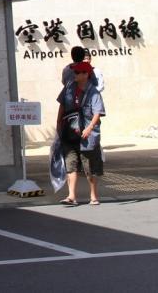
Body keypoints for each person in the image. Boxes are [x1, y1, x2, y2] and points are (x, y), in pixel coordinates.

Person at [56, 61, 105, 206]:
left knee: (89, 166)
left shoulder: (94, 92)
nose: (74, 75)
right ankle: (71, 196)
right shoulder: (68, 88)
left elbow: (97, 112)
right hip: (70, 132)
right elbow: (62, 105)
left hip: (86, 135)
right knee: (71, 164)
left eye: (77, 72)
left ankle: (93, 195)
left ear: (86, 74)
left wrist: (89, 128)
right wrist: (58, 123)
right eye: (74, 72)